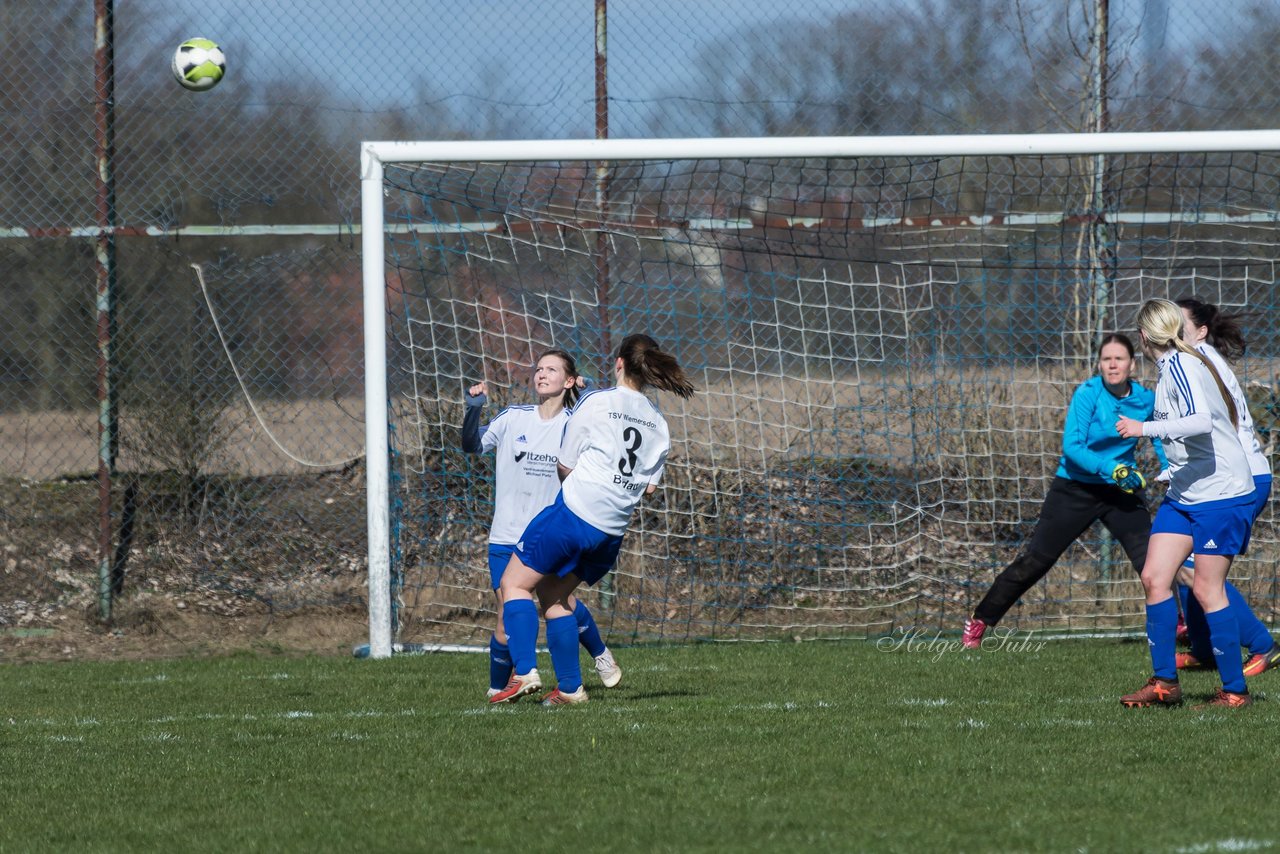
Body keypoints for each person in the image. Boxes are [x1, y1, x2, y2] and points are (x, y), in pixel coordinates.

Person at [489, 333, 695, 705]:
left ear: (618, 363)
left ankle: (524, 672)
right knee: (554, 595)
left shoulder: (596, 401)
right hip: (611, 534)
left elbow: (565, 465)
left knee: (514, 585)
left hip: (574, 516)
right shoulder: (658, 424)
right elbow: (648, 489)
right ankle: (570, 689)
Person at [962, 333, 1167, 648]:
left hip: (1121, 492)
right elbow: (1072, 447)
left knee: (1154, 563)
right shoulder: (1087, 394)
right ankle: (979, 622)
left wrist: (1168, 469)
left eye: (1119, 358)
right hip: (1075, 487)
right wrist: (1111, 468)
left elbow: (1157, 436)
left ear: (1132, 364)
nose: (1113, 364)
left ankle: (1179, 624)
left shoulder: (1146, 399)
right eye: (1107, 359)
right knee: (1036, 560)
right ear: (1099, 364)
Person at [1116, 298, 1256, 709]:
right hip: (1186, 493)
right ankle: (1165, 684)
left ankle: (1235, 692)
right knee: (1154, 577)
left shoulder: (1182, 364)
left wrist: (1144, 428)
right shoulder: (1171, 368)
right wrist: (1172, 468)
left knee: (1209, 589)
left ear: (1143, 337)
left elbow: (1198, 421)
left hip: (1221, 495)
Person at [461, 349, 621, 701]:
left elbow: (605, 421)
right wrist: (473, 411)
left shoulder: (576, 423)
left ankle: (574, 667)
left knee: (557, 600)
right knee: (507, 617)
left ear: (567, 381)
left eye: (551, 369)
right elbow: (471, 446)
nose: (541, 374)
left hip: (551, 533)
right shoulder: (512, 418)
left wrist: (589, 387)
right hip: (506, 536)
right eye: (538, 368)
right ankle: (501, 686)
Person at [1173, 297, 1278, 677]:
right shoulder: (1185, 361)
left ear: (1200, 332)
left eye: (1178, 322)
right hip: (1212, 479)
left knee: (1198, 573)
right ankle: (1204, 648)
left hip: (1238, 479)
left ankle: (1263, 646)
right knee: (1180, 563)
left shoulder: (1198, 361)